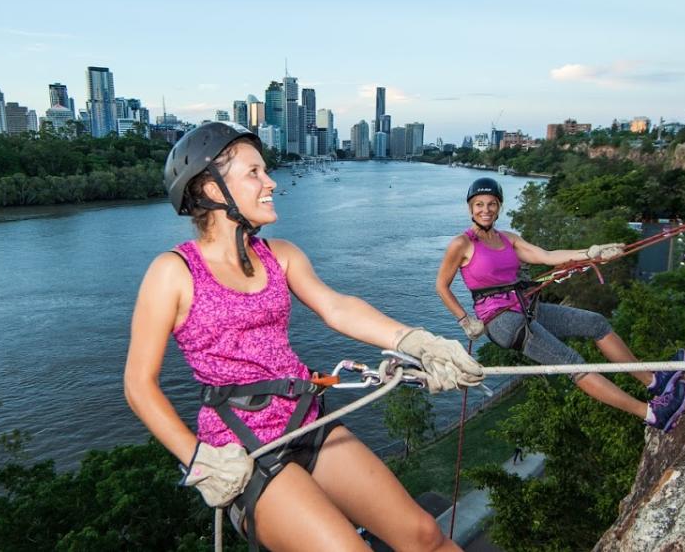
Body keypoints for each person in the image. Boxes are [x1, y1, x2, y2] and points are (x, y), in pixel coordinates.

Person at [124, 122, 485, 552]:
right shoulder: (173, 272)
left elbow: (337, 307)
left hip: (305, 419)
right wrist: (197, 459)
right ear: (213, 189)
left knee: (424, 534)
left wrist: (414, 340)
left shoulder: (280, 256)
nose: (271, 182)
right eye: (254, 173)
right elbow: (138, 384)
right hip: (242, 448)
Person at [434, 177, 685, 432]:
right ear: (470, 208)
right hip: (502, 322)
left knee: (596, 324)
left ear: (499, 207)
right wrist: (465, 320)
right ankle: (653, 414)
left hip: (527, 309)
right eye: (479, 204)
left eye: (491, 204)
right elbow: (442, 286)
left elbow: (547, 256)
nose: (485, 210)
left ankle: (654, 381)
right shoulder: (462, 244)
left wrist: (591, 253)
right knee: (572, 362)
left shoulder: (508, 239)